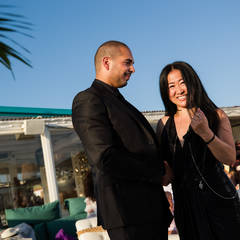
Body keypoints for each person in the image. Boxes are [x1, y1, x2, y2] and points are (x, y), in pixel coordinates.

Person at [72, 40, 172, 240]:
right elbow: (105, 157)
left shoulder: (119, 101)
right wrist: (158, 172)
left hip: (149, 211)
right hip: (128, 213)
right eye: (128, 62)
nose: (133, 69)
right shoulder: (89, 99)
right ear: (107, 62)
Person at [156, 61, 240, 240]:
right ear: (165, 91)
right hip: (186, 206)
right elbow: (166, 174)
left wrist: (206, 133)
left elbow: (230, 157)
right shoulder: (163, 124)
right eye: (171, 86)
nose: (179, 90)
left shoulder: (216, 115)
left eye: (182, 82)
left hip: (220, 199)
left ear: (192, 82)